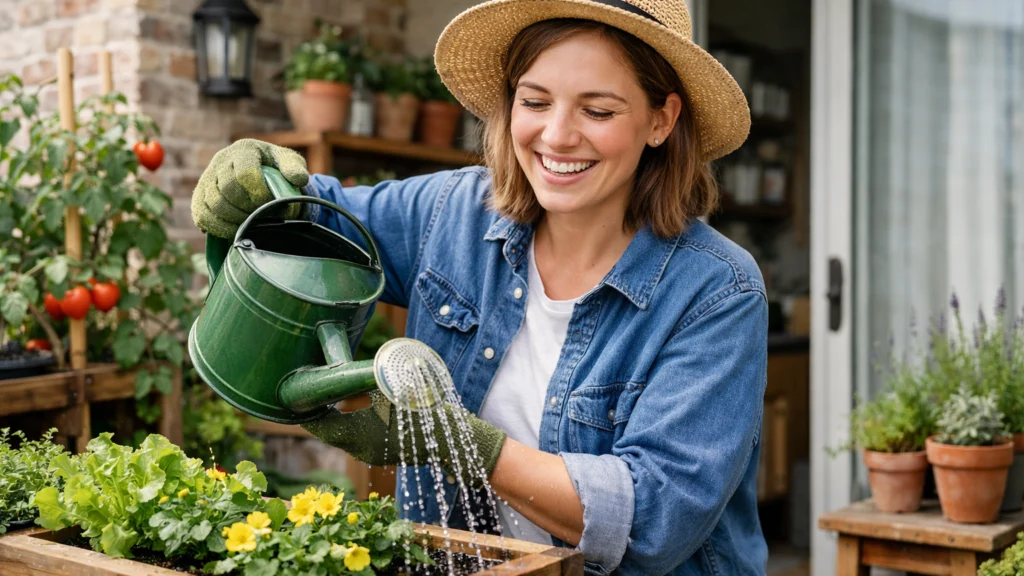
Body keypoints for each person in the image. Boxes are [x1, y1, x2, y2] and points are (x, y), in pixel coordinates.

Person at [190, 0, 768, 573]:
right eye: (535, 101)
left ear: (661, 120)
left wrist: (459, 442)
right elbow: (312, 219)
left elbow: (654, 517)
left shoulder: (717, 292)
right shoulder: (454, 212)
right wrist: (251, 180)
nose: (558, 135)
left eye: (598, 111)